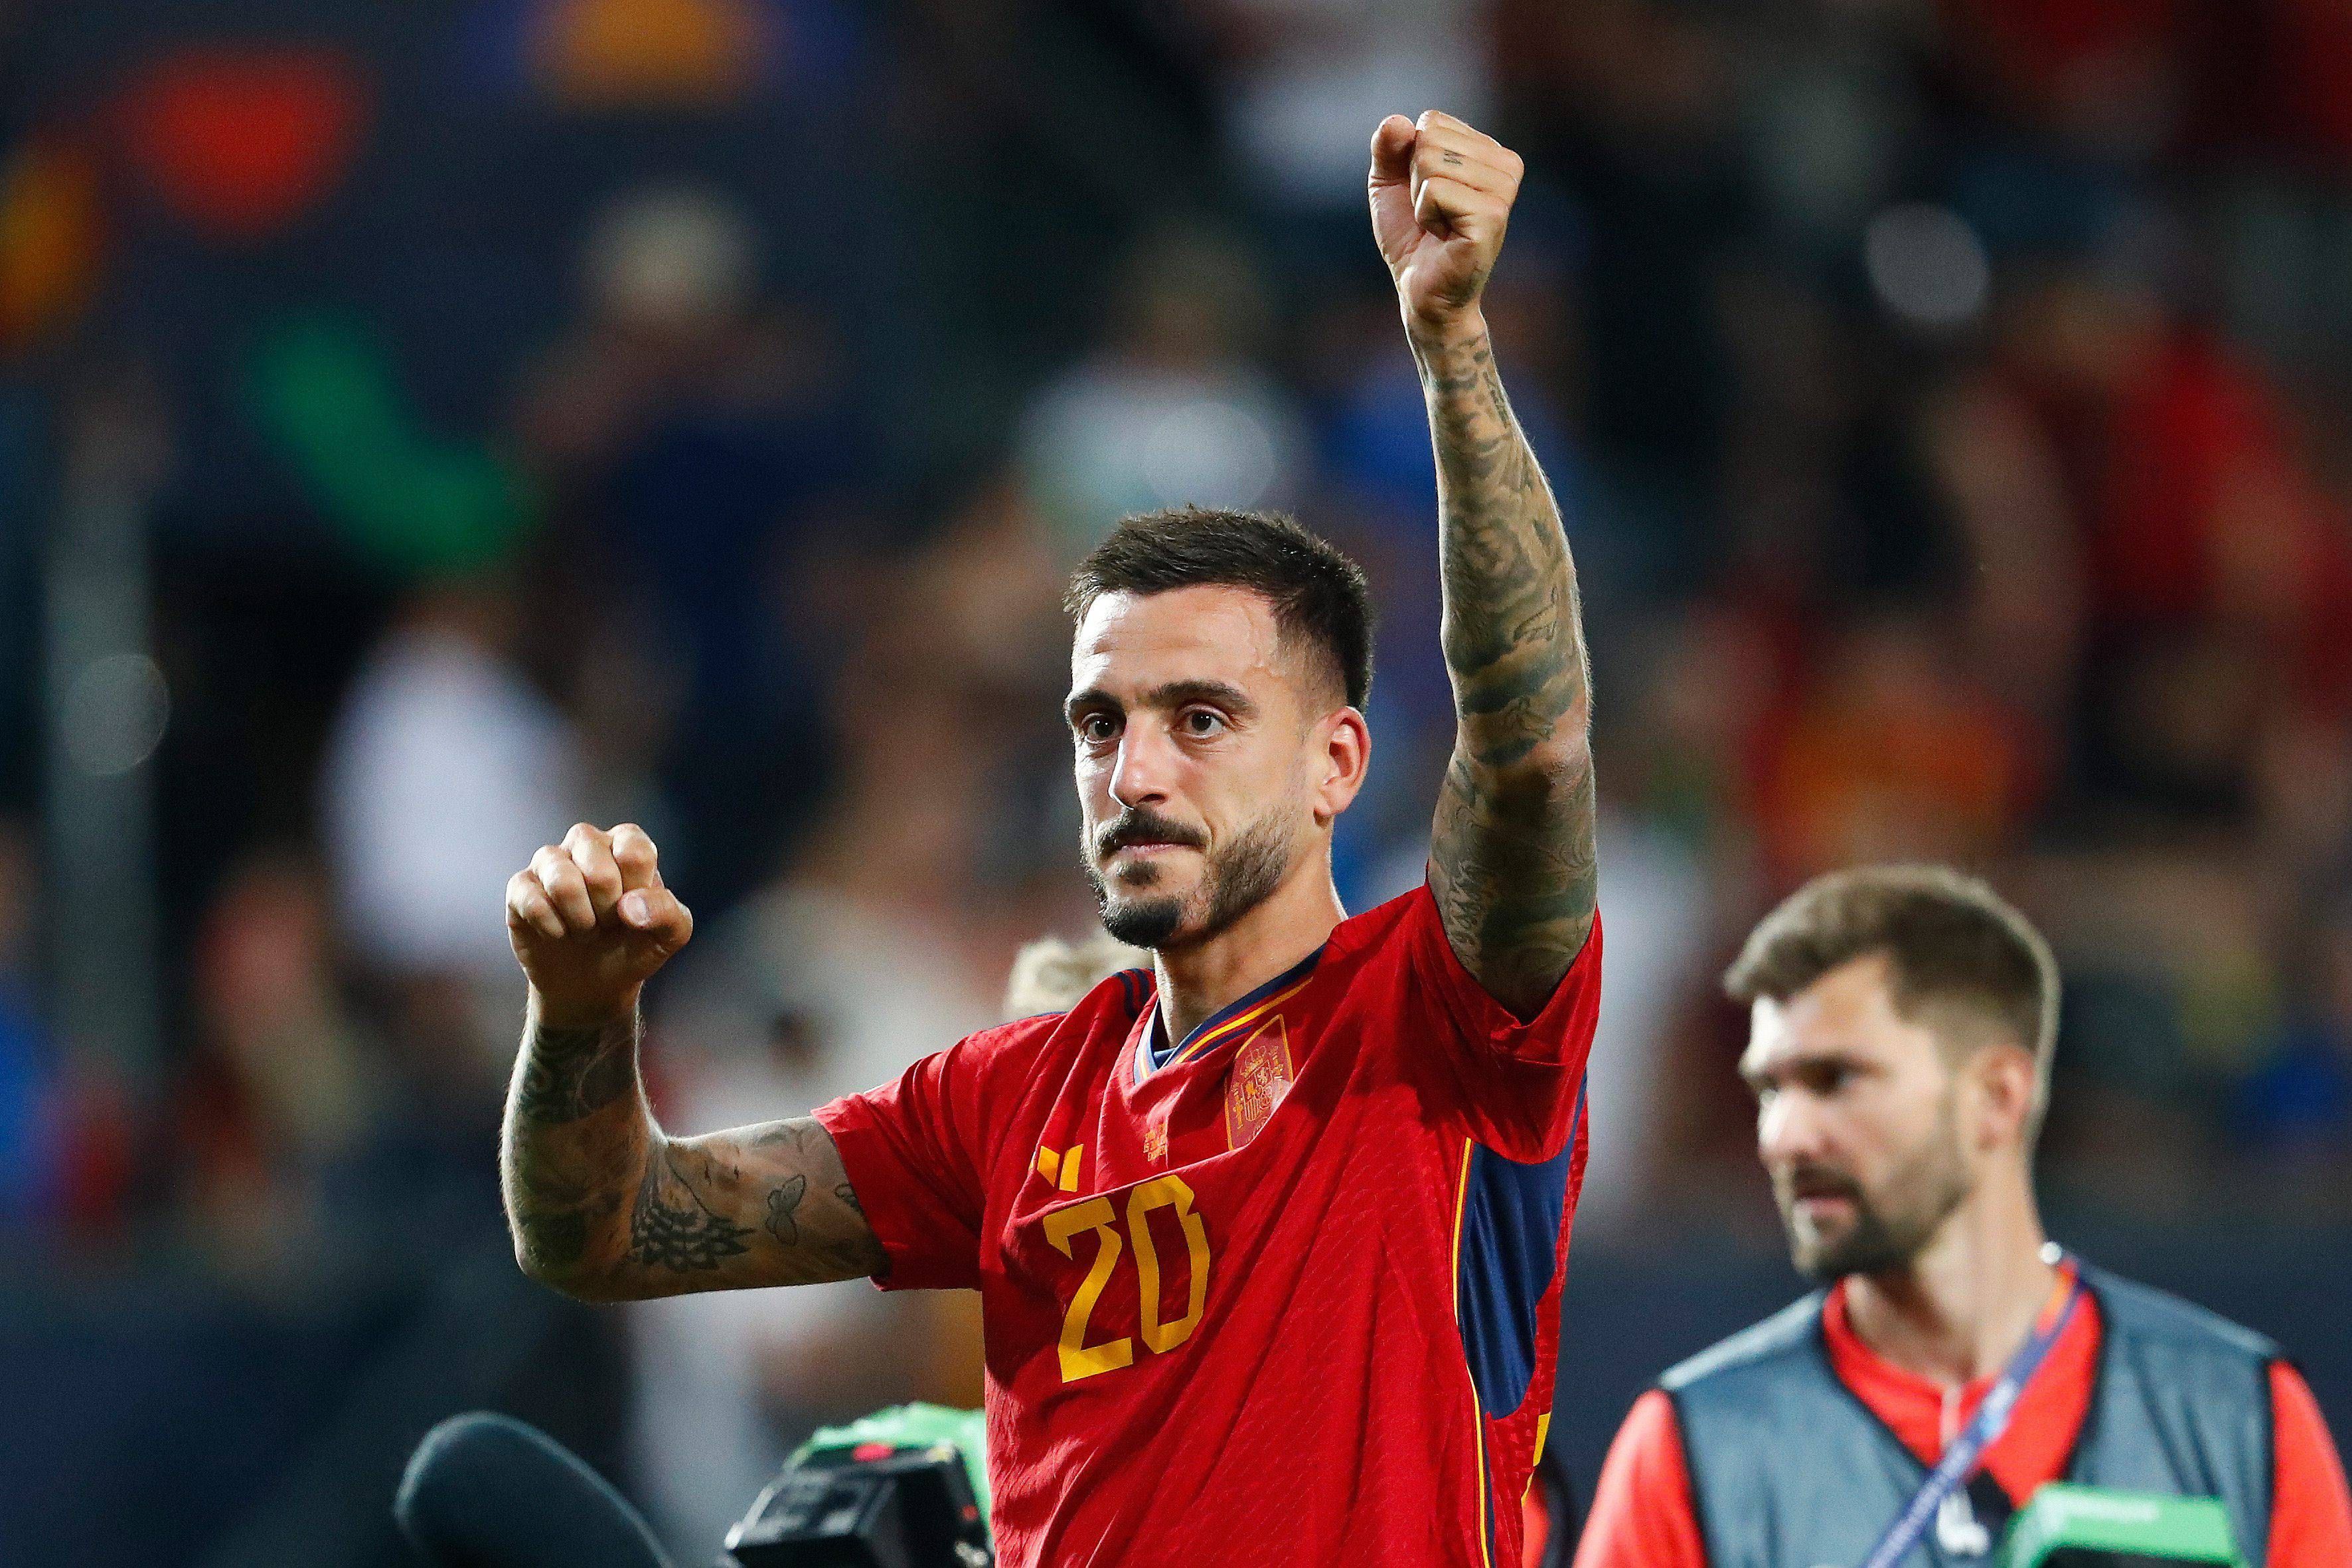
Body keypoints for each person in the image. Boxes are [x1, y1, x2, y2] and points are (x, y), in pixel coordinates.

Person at [499, 109, 1602, 1567]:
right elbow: (608, 1231)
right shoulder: (1002, 1098)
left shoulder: (1432, 1020)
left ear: (1340, 759)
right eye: (1099, 721)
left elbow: (1525, 752)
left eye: (1201, 717)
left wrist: (1452, 344)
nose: (1133, 768)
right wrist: (579, 1016)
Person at [1573, 864, 2352, 1568]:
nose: (1783, 1136)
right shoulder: (1695, 1444)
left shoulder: (2239, 1413)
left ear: (1998, 1096)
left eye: (1838, 1078)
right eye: (1771, 1089)